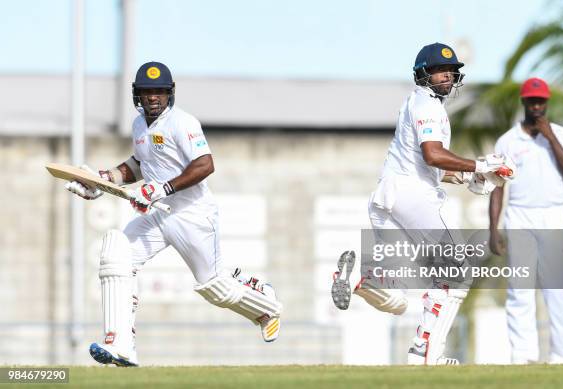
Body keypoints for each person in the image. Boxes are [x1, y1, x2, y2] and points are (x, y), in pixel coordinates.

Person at [65, 61, 282, 367]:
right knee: (117, 253)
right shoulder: (139, 125)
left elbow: (205, 165)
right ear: (137, 96)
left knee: (215, 288)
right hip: (158, 216)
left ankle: (265, 304)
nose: (153, 97)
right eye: (146, 92)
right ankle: (122, 346)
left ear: (169, 94)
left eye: (159, 92)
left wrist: (161, 189)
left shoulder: (184, 123)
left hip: (192, 214)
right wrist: (105, 179)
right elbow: (140, 165)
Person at [330, 43, 514, 365]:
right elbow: (432, 154)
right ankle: (427, 354)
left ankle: (363, 277)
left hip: (388, 196)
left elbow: (428, 164)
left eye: (451, 71)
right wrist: (479, 166)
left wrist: (466, 178)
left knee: (399, 297)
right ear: (423, 73)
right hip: (411, 196)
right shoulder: (428, 105)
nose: (447, 76)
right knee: (456, 274)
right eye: (440, 70)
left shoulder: (414, 104)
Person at [489, 77, 563, 364]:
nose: (537, 106)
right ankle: (523, 355)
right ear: (524, 102)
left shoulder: (562, 134)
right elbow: (498, 188)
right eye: (532, 101)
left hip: (553, 215)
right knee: (519, 289)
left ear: (547, 102)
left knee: (557, 290)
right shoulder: (507, 141)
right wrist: (493, 229)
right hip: (519, 217)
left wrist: (550, 137)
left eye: (541, 101)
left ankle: (560, 355)